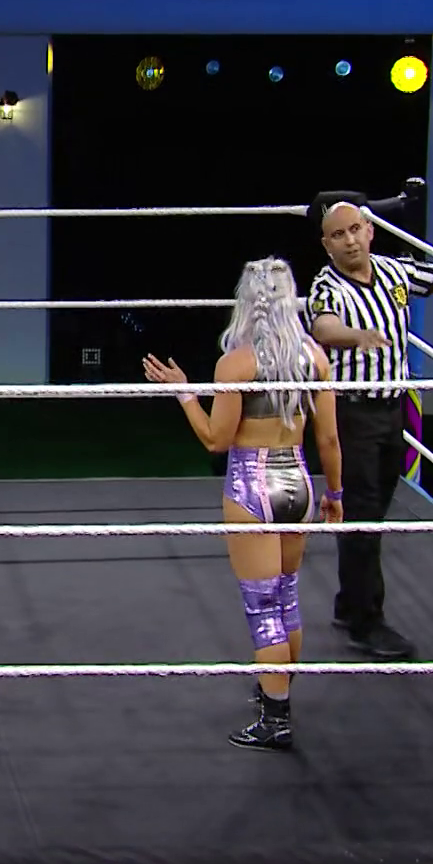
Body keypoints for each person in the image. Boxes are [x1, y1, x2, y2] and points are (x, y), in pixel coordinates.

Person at [143, 257, 344, 751]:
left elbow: (216, 439)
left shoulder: (236, 364)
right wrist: (336, 494)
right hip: (298, 482)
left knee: (263, 607)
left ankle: (276, 717)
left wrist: (185, 395)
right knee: (287, 596)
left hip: (253, 487)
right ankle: (277, 691)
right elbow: (329, 439)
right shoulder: (315, 358)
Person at [304, 200, 433, 660]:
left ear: (369, 230)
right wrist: (356, 336)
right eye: (339, 234)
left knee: (375, 507)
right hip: (352, 413)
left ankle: (350, 602)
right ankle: (366, 621)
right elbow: (323, 326)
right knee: (362, 514)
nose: (350, 240)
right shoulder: (327, 285)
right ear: (327, 245)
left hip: (392, 408)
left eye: (355, 229)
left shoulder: (396, 272)